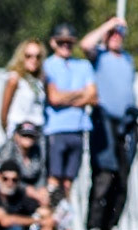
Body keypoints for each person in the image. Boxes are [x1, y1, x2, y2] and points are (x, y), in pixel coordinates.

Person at [80, 15, 137, 230]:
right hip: (104, 122)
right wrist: (110, 24)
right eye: (112, 34)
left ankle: (110, 225)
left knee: (122, 178)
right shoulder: (99, 56)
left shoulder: (127, 59)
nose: (116, 37)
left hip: (126, 125)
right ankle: (94, 225)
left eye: (119, 33)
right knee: (104, 174)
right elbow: (85, 44)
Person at [41, 22, 95, 204]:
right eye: (61, 42)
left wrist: (68, 97)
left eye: (69, 42)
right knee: (54, 179)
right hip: (56, 129)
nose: (66, 46)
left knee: (68, 182)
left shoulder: (83, 65)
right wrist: (80, 93)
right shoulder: (47, 65)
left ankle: (64, 224)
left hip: (78, 129)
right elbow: (54, 98)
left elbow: (93, 97)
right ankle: (50, 220)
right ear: (53, 43)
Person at [0, 121, 48, 200]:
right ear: (16, 136)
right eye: (24, 135)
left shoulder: (37, 151)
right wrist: (27, 189)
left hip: (31, 190)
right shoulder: (9, 149)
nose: (28, 138)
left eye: (31, 136)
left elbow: (42, 173)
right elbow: (3, 175)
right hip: (8, 186)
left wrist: (41, 189)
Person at [0, 39, 46, 135]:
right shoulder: (15, 79)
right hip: (19, 131)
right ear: (22, 57)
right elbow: (4, 112)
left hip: (36, 131)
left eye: (38, 56)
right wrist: (9, 131)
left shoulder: (39, 81)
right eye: (29, 56)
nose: (34, 60)